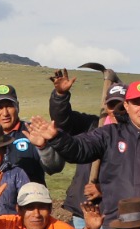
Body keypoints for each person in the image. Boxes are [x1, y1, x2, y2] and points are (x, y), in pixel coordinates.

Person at [27, 80, 140, 229]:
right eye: (136, 103)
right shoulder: (110, 134)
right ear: (126, 106)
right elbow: (79, 150)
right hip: (115, 228)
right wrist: (57, 138)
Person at [47, 69, 128, 217]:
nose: (116, 110)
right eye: (112, 105)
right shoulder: (92, 125)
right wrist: (60, 96)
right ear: (106, 106)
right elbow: (63, 122)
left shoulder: (136, 137)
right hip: (83, 210)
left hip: (115, 214)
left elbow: (135, 178)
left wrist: (104, 189)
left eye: (121, 106)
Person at [0, 84, 58, 186]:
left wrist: (43, 147)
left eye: (9, 106)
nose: (5, 113)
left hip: (30, 199)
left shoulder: (33, 131)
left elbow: (54, 168)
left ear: (17, 107)